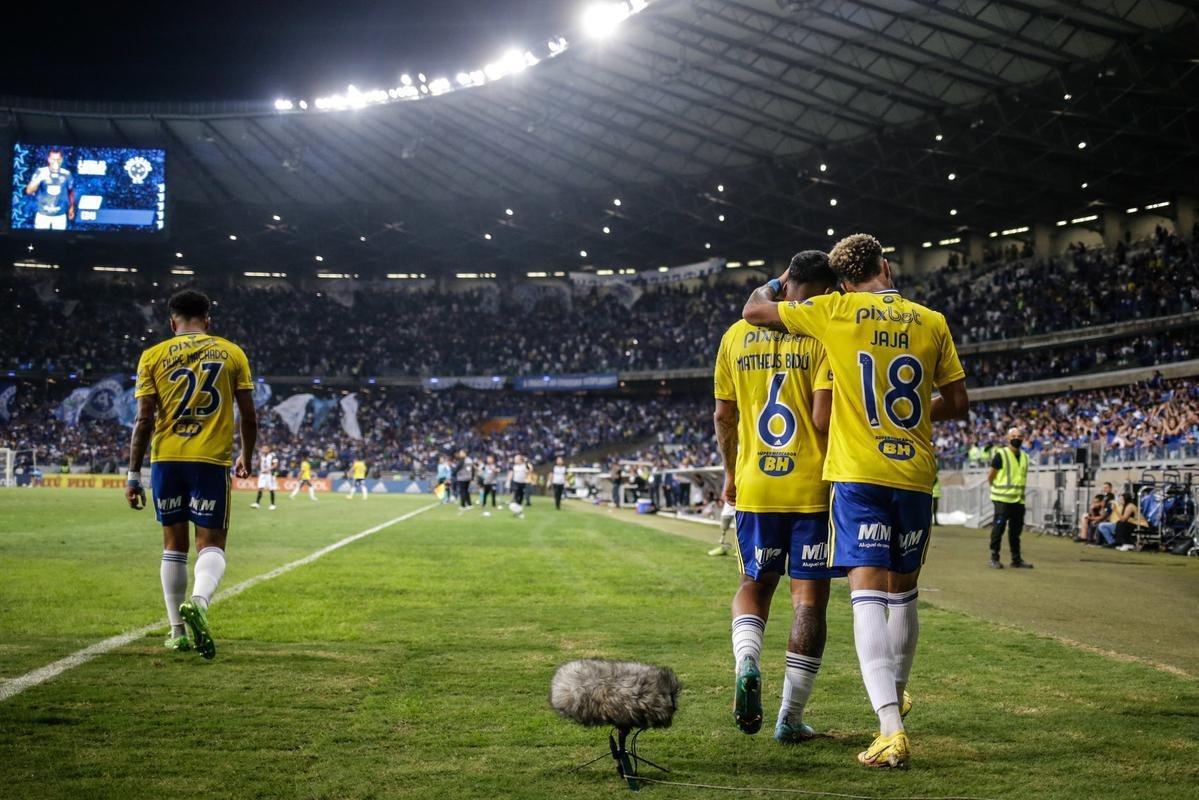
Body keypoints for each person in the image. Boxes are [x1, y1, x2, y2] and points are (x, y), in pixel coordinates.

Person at [743, 233, 970, 769]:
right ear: (885, 267)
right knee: (904, 594)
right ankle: (898, 694)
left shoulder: (836, 311)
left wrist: (780, 280)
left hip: (858, 475)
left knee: (866, 595)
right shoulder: (932, 321)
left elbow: (755, 312)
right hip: (913, 472)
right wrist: (904, 416)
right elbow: (958, 402)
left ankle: (890, 727)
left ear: (843, 283)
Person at [716, 249, 842, 743]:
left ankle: (747, 659)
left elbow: (724, 416)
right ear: (826, 291)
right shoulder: (822, 334)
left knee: (754, 582)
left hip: (756, 486)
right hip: (813, 488)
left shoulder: (734, 335)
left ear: (785, 282)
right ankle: (790, 717)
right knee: (808, 602)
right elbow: (822, 419)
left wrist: (731, 473)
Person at [124, 289, 256, 660]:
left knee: (173, 546)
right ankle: (198, 602)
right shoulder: (232, 353)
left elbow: (144, 419)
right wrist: (246, 455)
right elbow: (249, 415)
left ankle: (177, 632)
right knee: (211, 544)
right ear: (207, 320)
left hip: (166, 459)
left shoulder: (152, 356)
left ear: (172, 322)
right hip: (210, 459)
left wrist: (133, 475)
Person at [988, 426, 1033, 569]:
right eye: (1013, 436)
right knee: (998, 529)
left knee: (1016, 531)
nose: (1016, 439)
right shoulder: (1001, 454)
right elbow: (991, 476)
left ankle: (1016, 559)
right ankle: (994, 557)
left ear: (1023, 438)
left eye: (1019, 436)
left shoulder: (1025, 457)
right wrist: (996, 489)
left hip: (1018, 500)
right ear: (1008, 438)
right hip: (1002, 500)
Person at [25, 149, 75, 230]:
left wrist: (71, 207)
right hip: (43, 215)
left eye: (58, 159)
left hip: (60, 216)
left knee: (60, 237)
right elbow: (29, 191)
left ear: (61, 160)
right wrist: (40, 178)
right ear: (48, 159)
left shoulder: (67, 174)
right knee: (40, 237)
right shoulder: (40, 172)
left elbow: (70, 191)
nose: (55, 162)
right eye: (53, 159)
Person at [251, 445, 278, 510]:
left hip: (270, 474)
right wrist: (256, 463)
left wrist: (268, 469)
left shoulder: (273, 456)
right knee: (260, 488)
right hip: (262, 474)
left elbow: (275, 465)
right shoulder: (261, 456)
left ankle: (273, 505)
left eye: (265, 449)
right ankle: (257, 503)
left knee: (271, 489)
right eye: (263, 449)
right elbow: (258, 464)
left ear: (269, 450)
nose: (263, 450)